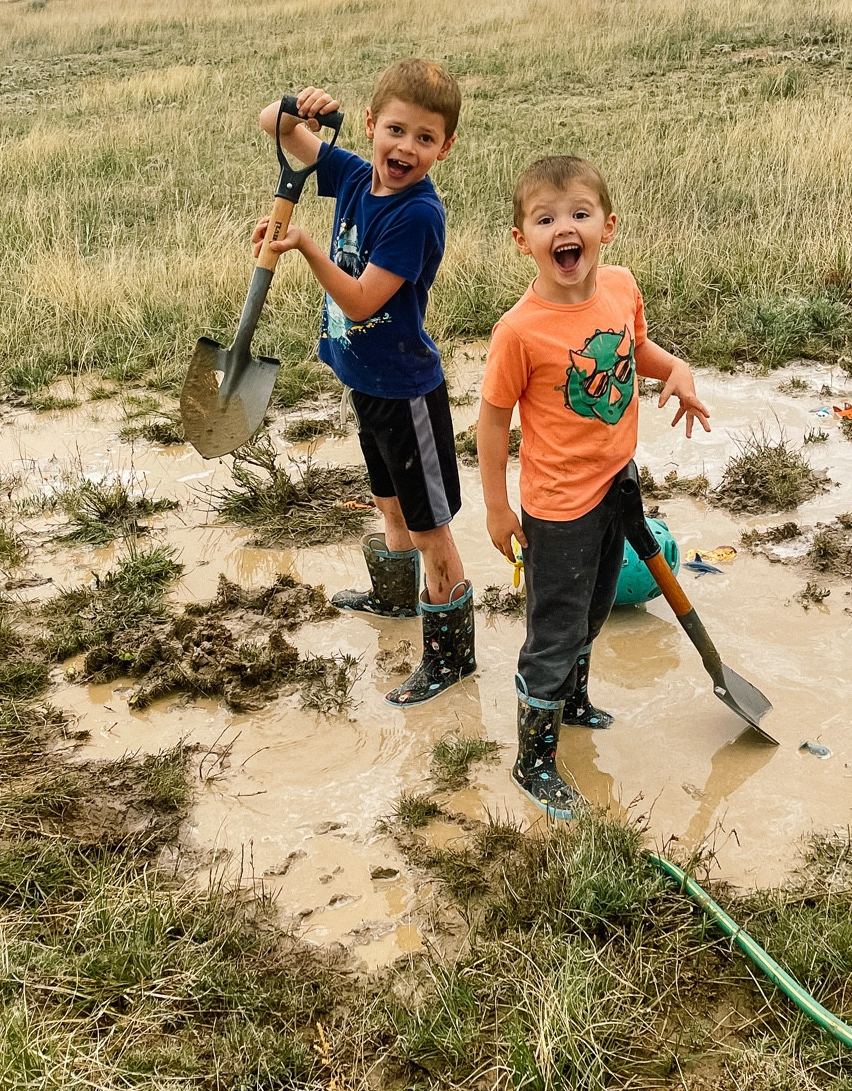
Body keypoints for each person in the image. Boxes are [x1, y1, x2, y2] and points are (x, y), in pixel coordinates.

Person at [477, 153, 710, 815]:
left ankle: (573, 703)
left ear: (607, 226)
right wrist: (497, 507)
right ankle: (534, 759)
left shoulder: (621, 287)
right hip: (557, 509)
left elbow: (637, 351)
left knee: (598, 610)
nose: (564, 228)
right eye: (546, 218)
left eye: (578, 213)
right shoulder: (519, 332)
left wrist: (679, 370)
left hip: (617, 483)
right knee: (553, 631)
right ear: (522, 240)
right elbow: (492, 423)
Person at [253, 61, 473, 704]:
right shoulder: (350, 174)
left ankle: (451, 655)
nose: (406, 148)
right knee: (388, 501)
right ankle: (397, 599)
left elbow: (359, 303)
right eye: (396, 130)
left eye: (425, 138)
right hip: (365, 379)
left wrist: (304, 246)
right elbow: (274, 126)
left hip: (406, 390)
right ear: (372, 124)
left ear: (445, 147)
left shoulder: (417, 215)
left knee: (431, 527)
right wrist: (299, 104)